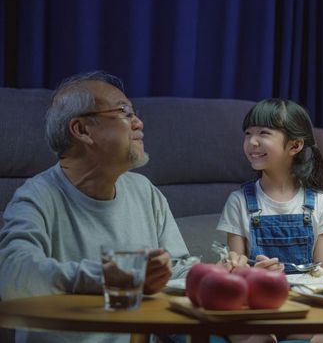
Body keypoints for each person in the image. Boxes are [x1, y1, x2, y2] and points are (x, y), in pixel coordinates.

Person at [0, 71, 190, 343]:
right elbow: (13, 276)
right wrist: (107, 277)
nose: (138, 122)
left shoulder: (145, 192)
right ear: (82, 130)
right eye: (124, 111)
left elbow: (178, 269)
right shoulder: (36, 196)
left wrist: (228, 275)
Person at [217, 99, 323, 343]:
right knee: (253, 336)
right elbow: (235, 271)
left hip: (305, 309)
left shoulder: (321, 203)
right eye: (248, 133)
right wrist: (253, 273)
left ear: (295, 145)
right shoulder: (238, 201)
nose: (252, 142)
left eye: (263, 133)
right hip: (257, 310)